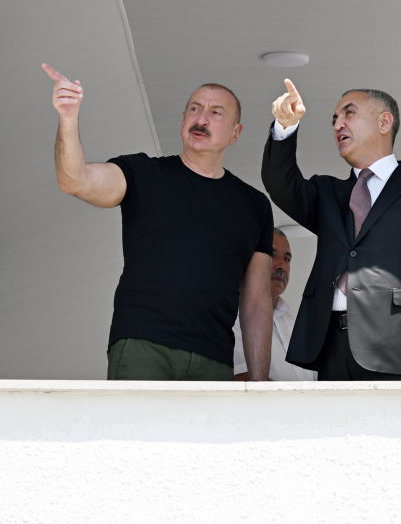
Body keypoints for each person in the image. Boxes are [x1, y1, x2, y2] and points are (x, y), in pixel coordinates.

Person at [42, 63, 274, 381]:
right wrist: (68, 118)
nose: (201, 119)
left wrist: (260, 384)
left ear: (235, 133)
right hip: (144, 346)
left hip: (215, 359)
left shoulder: (254, 205)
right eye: (195, 108)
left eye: (216, 113)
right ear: (182, 120)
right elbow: (75, 181)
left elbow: (257, 302)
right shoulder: (143, 174)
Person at [261, 79, 401, 381]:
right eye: (334, 119)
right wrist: (285, 126)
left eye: (349, 113)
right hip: (330, 348)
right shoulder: (328, 194)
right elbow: (280, 183)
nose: (338, 124)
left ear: (384, 122)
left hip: (400, 349)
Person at [233, 228, 317, 382]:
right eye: (271, 255)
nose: (282, 266)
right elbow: (243, 382)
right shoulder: (230, 316)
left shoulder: (292, 321)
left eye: (287, 259)